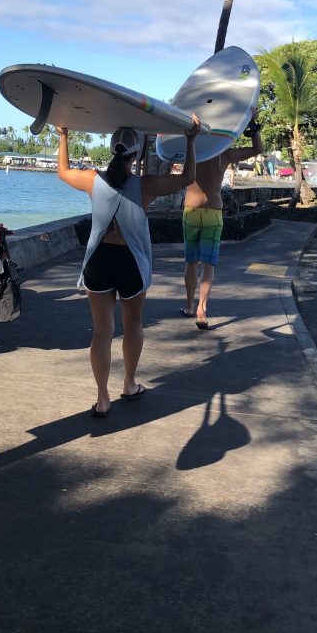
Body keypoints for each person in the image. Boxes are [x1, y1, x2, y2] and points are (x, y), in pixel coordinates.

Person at [56, 118, 201, 417]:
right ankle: (129, 384)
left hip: (99, 260)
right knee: (133, 324)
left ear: (112, 150)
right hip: (130, 262)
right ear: (136, 155)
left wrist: (63, 136)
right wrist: (190, 138)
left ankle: (102, 399)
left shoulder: (92, 180)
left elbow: (63, 171)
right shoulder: (145, 185)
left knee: (101, 332)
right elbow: (188, 177)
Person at [182, 112, 263, 330]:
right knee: (208, 264)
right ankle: (202, 310)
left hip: (191, 210)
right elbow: (257, 149)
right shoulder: (224, 154)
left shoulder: (192, 149)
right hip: (213, 212)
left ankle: (189, 306)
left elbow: (166, 150)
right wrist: (253, 124)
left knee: (191, 262)